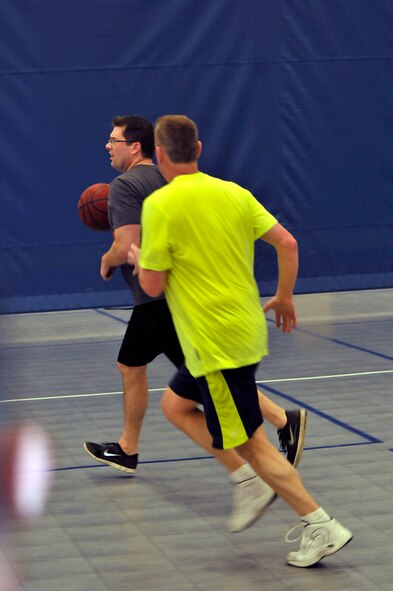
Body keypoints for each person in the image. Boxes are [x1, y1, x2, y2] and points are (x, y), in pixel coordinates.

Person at [128, 114, 353, 567]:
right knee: (175, 405)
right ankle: (248, 482)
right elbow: (287, 243)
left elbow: (152, 287)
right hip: (244, 330)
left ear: (158, 153)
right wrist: (285, 295)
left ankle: (319, 524)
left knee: (252, 443)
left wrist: (138, 257)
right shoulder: (234, 192)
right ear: (199, 148)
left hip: (214, 344)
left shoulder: (161, 205)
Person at [83, 115, 307, 533]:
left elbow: (129, 246)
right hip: (203, 310)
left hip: (169, 304)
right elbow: (286, 241)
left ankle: (283, 475)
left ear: (141, 148)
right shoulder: (190, 186)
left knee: (216, 396)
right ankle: (129, 447)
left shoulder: (126, 187)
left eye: (113, 140)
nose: (107, 146)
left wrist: (108, 259)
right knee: (136, 368)